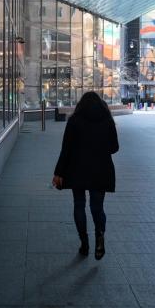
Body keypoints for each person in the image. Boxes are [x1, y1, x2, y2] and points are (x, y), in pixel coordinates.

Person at [52, 92, 119, 260]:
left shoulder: (74, 121)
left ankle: (84, 244)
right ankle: (100, 235)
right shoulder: (107, 121)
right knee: (97, 207)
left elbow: (65, 149)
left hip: (77, 169)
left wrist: (58, 172)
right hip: (101, 170)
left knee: (79, 205)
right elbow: (114, 147)